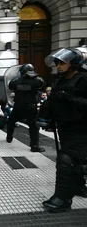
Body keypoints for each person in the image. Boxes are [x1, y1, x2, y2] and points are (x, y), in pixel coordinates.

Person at [40, 48, 87, 213]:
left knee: (66, 160)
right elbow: (55, 100)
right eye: (57, 63)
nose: (58, 66)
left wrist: (71, 99)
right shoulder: (60, 80)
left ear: (74, 63)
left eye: (62, 63)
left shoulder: (83, 79)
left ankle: (63, 199)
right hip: (64, 126)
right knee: (75, 161)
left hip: (81, 128)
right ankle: (80, 187)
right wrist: (47, 112)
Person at [6, 64, 45, 152]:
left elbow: (10, 85)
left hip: (18, 105)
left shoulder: (17, 81)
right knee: (33, 126)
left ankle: (9, 137)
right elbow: (42, 85)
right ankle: (34, 146)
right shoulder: (36, 81)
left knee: (11, 121)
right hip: (30, 106)